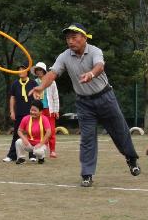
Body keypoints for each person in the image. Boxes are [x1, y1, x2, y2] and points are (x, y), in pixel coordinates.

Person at [31, 23, 140, 187]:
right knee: (87, 138)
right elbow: (52, 73)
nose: (70, 41)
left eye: (74, 37)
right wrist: (40, 87)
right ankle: (87, 174)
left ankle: (131, 159)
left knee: (120, 131)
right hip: (84, 103)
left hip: (105, 97)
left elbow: (100, 66)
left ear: (84, 38)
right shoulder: (64, 56)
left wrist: (91, 74)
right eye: (68, 38)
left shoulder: (95, 51)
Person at [3, 66, 39, 162]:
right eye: (18, 70)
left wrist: (37, 111)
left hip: (32, 113)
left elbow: (37, 97)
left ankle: (33, 155)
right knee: (16, 134)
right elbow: (12, 98)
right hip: (19, 112)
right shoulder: (15, 84)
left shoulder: (33, 83)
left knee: (32, 133)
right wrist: (12, 111)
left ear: (27, 72)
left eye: (22, 70)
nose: (20, 72)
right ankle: (12, 155)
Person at [33, 62, 60, 157]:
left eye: (40, 70)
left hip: (49, 109)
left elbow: (55, 97)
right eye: (37, 70)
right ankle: (42, 149)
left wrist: (56, 110)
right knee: (40, 130)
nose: (38, 72)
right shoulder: (34, 82)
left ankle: (52, 150)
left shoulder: (52, 82)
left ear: (44, 71)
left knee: (51, 130)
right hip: (38, 110)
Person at [16, 100, 53, 164]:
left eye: (35, 110)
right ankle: (21, 158)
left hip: (40, 145)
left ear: (41, 112)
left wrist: (41, 143)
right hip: (29, 144)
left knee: (38, 152)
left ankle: (41, 158)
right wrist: (24, 138)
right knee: (18, 142)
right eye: (31, 110)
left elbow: (49, 132)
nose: (32, 112)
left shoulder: (44, 119)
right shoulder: (26, 118)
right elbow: (19, 131)